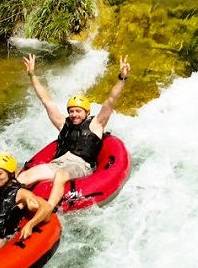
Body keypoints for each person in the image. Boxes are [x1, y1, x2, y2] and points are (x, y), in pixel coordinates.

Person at [17, 53, 130, 212]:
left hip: (80, 166)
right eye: (71, 111)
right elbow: (46, 100)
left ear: (86, 112)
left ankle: (47, 210)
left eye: (78, 111)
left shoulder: (96, 124)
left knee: (61, 175)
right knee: (24, 177)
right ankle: (6, 205)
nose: (74, 114)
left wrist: (122, 78)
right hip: (56, 164)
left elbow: (110, 100)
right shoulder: (63, 123)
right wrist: (32, 74)